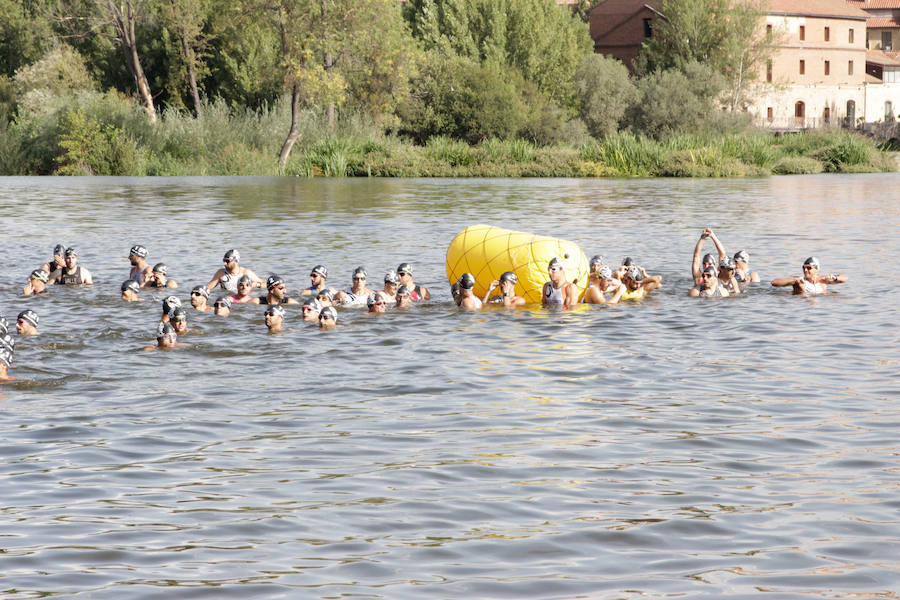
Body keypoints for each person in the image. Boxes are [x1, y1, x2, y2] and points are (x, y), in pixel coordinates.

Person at [771, 256, 847, 296]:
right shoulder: (800, 282)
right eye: (804, 267)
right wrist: (792, 280)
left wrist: (835, 277)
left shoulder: (823, 281)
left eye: (809, 268)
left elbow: (845, 278)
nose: (805, 270)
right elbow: (774, 282)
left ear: (817, 269)